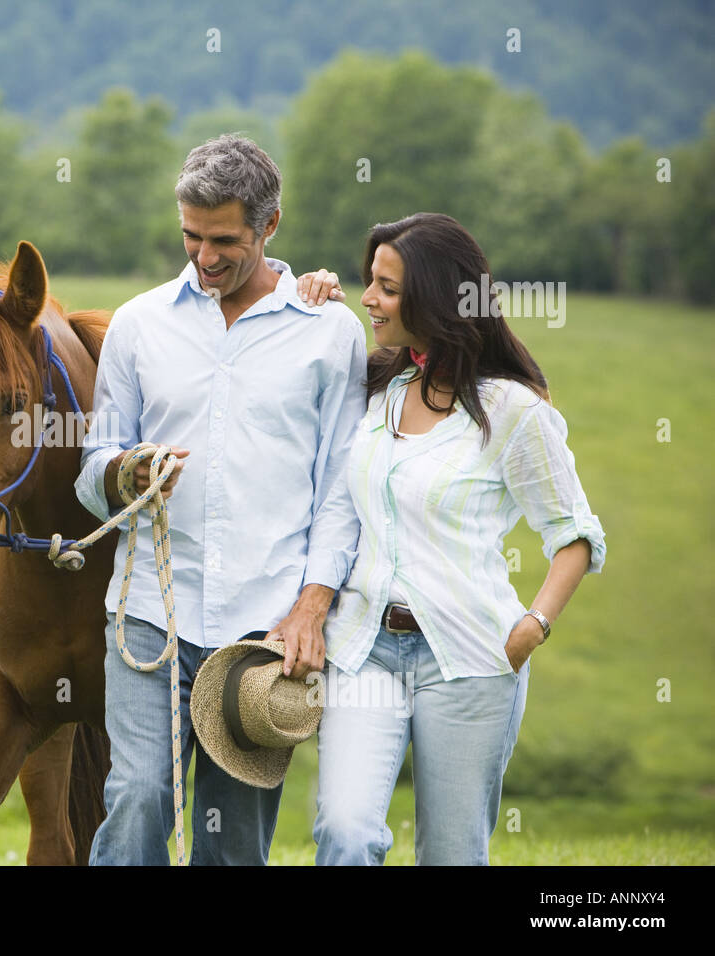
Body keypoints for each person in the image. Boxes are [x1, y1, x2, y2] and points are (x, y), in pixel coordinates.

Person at [75, 133, 366, 865]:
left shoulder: (330, 335)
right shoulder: (140, 325)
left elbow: (341, 490)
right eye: (191, 237)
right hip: (150, 615)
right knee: (138, 797)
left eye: (225, 240)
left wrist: (311, 607)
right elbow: (93, 466)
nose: (205, 257)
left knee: (232, 841)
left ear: (270, 225)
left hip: (263, 629)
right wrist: (125, 475)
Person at [313, 212, 607, 866]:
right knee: (344, 832)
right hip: (364, 652)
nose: (370, 299)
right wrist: (301, 295)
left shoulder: (514, 411)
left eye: (386, 288)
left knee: (451, 855)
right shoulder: (379, 391)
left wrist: (533, 624)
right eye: (368, 282)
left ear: (434, 297)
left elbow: (574, 534)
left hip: (472, 659)